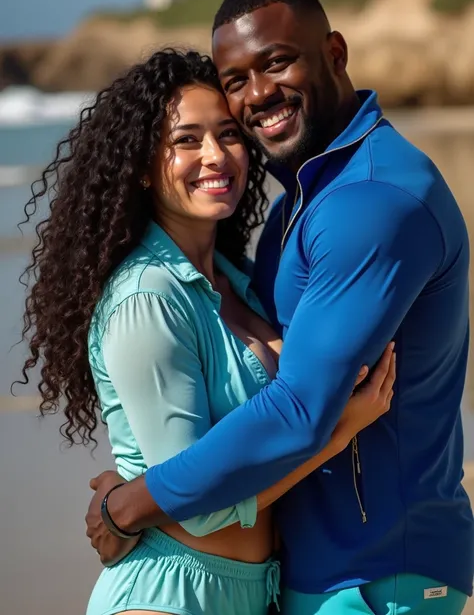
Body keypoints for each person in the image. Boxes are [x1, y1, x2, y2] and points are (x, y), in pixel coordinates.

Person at [85, 0, 474, 614]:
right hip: (306, 574)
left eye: (276, 62)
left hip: (374, 573)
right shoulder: (302, 204)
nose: (258, 94)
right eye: (235, 79)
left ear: (335, 53)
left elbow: (298, 407)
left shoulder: (368, 202)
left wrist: (130, 502)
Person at [19, 48, 395, 615]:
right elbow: (197, 505)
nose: (216, 156)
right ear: (143, 166)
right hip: (168, 595)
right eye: (187, 140)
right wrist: (335, 435)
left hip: (254, 592)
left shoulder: (240, 283)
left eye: (228, 134)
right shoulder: (148, 297)